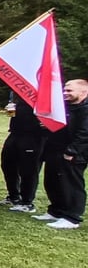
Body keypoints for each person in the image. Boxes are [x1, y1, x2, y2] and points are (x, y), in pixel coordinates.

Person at [34, 79, 88, 229]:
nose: (65, 93)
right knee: (52, 181)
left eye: (69, 91)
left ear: (83, 92)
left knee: (70, 184)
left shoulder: (85, 109)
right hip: (55, 149)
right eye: (65, 90)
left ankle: (72, 218)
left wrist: (72, 151)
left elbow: (84, 134)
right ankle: (56, 211)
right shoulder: (65, 108)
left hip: (73, 153)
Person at [0, 96, 47, 212]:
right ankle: (13, 196)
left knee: (28, 170)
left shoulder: (43, 97)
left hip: (33, 137)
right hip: (15, 134)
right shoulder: (20, 97)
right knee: (7, 165)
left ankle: (27, 202)